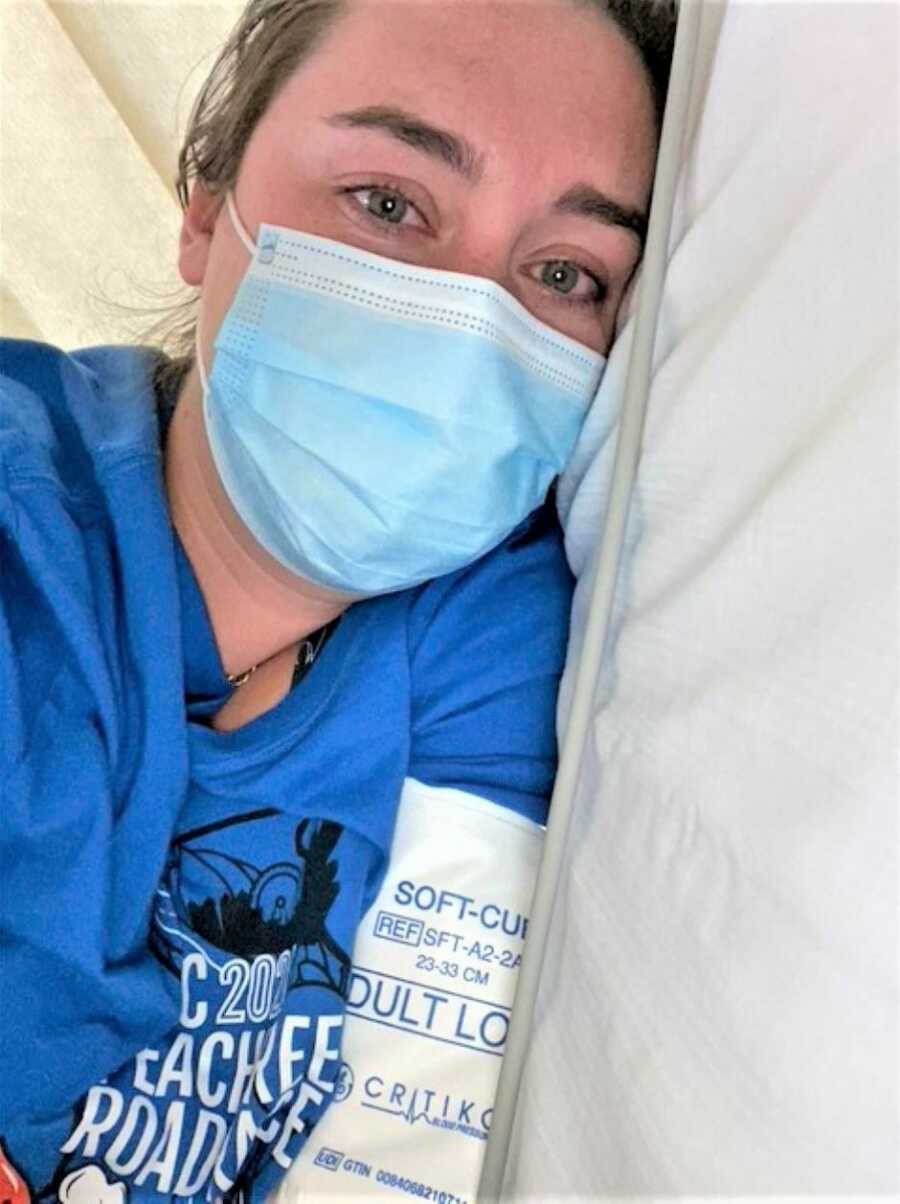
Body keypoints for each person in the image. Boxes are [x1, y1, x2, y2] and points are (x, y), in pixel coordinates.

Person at [0, 0, 674, 1199]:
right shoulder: (23, 515)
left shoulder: (510, 635)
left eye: (564, 272)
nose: (470, 321)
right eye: (389, 202)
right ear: (208, 210)